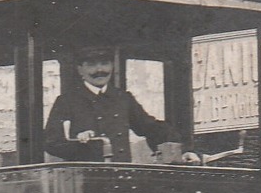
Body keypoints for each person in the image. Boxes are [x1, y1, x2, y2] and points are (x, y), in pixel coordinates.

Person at [43, 44, 173, 162]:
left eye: (105, 63)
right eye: (91, 65)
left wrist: (181, 149)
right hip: (85, 179)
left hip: (122, 175)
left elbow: (150, 128)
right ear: (80, 70)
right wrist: (78, 142)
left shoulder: (123, 98)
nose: (99, 70)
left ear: (112, 66)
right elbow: (52, 143)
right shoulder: (67, 101)